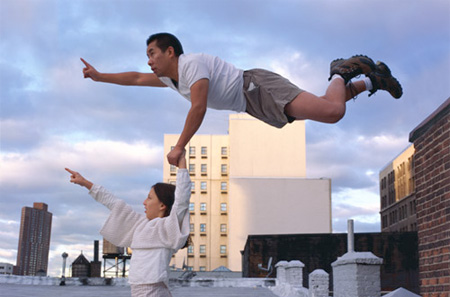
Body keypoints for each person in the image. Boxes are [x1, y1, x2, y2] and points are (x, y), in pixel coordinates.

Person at [81, 33, 402, 166]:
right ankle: (373, 80)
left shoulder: (191, 65)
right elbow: (136, 78)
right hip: (252, 102)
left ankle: (340, 71)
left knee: (332, 112)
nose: (148, 61)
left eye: (152, 53)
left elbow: (199, 106)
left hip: (256, 86)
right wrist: (99, 76)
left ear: (170, 51)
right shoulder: (171, 78)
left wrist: (180, 146)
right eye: (146, 55)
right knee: (324, 107)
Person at [65, 150, 190, 297]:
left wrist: (182, 164)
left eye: (149, 198)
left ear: (162, 205)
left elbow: (181, 198)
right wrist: (85, 183)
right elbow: (112, 201)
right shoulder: (140, 224)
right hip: (138, 291)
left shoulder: (167, 228)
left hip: (154, 291)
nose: (144, 202)